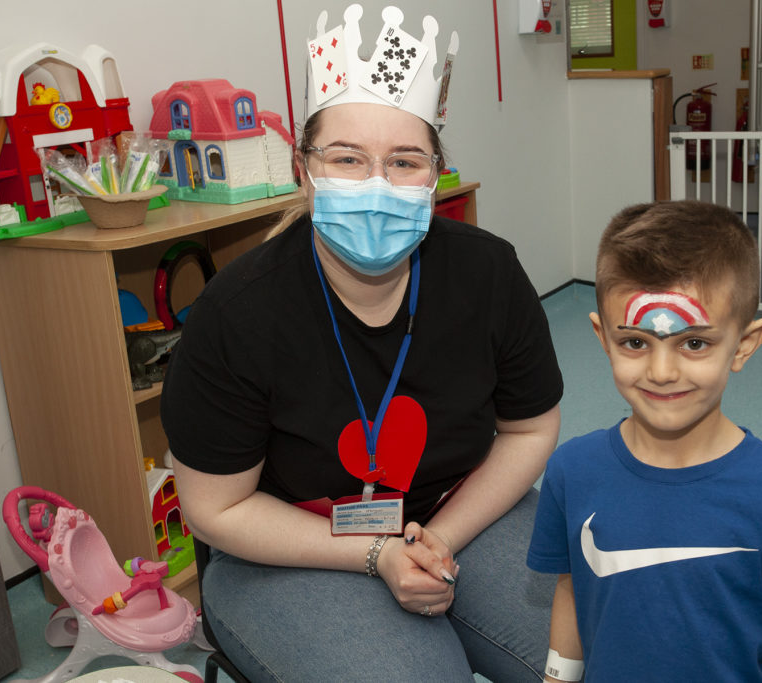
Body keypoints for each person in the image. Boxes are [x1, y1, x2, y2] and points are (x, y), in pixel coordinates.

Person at [160, 5, 563, 681]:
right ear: (302, 169)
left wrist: (440, 538)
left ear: (436, 173)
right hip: (291, 547)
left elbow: (528, 429)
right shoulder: (239, 313)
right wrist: (375, 553)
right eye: (346, 158)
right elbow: (215, 507)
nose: (376, 185)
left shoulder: (487, 273)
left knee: (614, 643)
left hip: (456, 513)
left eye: (405, 160)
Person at [527, 201, 762, 682]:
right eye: (635, 342)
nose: (661, 372)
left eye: (694, 344)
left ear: (744, 345)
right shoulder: (573, 471)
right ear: (602, 337)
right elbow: (572, 589)